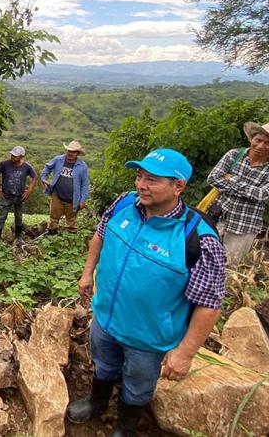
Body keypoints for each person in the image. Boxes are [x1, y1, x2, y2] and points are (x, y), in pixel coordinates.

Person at [68, 149, 226, 436]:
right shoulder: (124, 204)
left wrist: (185, 353)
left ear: (178, 186)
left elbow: (209, 303)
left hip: (149, 337)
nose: (141, 184)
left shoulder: (198, 238)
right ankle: (97, 401)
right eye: (140, 176)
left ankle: (125, 426)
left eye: (152, 179)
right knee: (103, 363)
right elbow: (100, 235)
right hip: (105, 316)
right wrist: (87, 273)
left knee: (139, 383)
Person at [206, 122, 269, 267]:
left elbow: (262, 195)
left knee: (228, 266)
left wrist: (231, 179)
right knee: (201, 257)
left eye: (268, 143)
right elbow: (213, 178)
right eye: (258, 140)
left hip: (245, 224)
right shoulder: (234, 155)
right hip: (217, 216)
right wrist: (249, 191)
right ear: (251, 139)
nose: (260, 146)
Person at [40, 140, 89, 233]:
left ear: (77, 153)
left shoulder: (82, 166)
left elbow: (85, 184)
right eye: (69, 151)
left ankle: (70, 240)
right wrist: (43, 177)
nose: (70, 153)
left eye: (73, 151)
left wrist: (83, 200)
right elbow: (48, 167)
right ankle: (52, 236)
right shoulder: (58, 159)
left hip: (73, 197)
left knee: (71, 221)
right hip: (57, 194)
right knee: (54, 218)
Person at [0, 146, 38, 241]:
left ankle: (18, 236)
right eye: (12, 155)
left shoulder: (26, 166)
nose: (13, 157)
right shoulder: (4, 164)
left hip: (20, 196)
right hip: (6, 196)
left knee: (19, 217)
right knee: (2, 217)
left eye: (15, 156)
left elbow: (35, 176)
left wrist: (29, 190)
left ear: (21, 157)